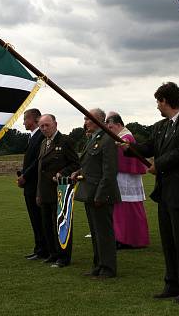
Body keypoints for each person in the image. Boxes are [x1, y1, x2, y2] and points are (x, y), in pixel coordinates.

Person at [126, 82, 179, 303]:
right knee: (169, 242)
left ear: (165, 100)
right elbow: (149, 147)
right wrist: (127, 147)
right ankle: (172, 284)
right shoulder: (162, 126)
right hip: (166, 193)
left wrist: (158, 165)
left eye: (158, 102)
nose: (157, 107)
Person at [73, 109, 121, 278]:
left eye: (88, 118)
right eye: (85, 118)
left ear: (99, 120)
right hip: (89, 192)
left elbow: (109, 171)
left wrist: (101, 195)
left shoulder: (107, 140)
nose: (85, 122)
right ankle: (98, 265)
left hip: (101, 194)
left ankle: (108, 268)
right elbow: (90, 164)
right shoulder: (92, 139)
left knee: (104, 233)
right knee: (95, 232)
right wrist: (77, 171)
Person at [35, 114, 80, 269]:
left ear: (55, 124)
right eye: (41, 126)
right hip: (45, 192)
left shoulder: (65, 141)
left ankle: (63, 257)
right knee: (47, 226)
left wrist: (63, 172)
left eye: (47, 125)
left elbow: (75, 163)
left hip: (60, 191)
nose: (44, 129)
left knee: (61, 226)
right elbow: (41, 170)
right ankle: (53, 254)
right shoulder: (43, 143)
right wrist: (38, 193)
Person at [105, 112, 149, 249]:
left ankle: (129, 239)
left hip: (127, 178)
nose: (109, 130)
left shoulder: (126, 137)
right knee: (123, 211)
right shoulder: (120, 136)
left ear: (118, 125)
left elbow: (123, 157)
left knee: (128, 210)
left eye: (111, 127)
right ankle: (123, 237)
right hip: (124, 177)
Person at [17, 108, 47, 261]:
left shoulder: (40, 136)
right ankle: (39, 248)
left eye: (25, 119)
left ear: (34, 119)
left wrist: (25, 176)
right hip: (30, 183)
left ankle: (43, 249)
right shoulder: (33, 137)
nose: (23, 123)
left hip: (35, 184)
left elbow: (37, 161)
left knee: (38, 217)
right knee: (34, 218)